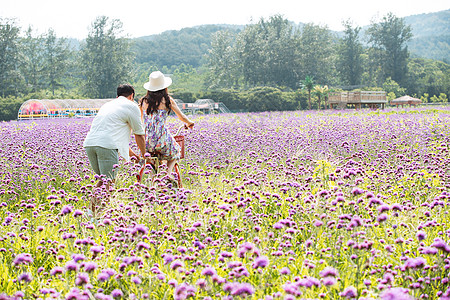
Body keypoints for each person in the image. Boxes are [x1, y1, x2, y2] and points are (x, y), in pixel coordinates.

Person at [83, 84, 146, 212]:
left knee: (102, 180)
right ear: (131, 96)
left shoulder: (108, 105)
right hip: (106, 145)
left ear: (117, 96)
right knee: (109, 183)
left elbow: (115, 136)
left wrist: (134, 156)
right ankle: (99, 216)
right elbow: (139, 134)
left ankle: (91, 213)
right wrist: (146, 156)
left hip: (90, 143)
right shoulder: (132, 106)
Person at [139, 71, 194, 181]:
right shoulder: (167, 100)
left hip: (148, 140)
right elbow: (181, 116)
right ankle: (167, 174)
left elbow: (140, 120)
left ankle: (152, 180)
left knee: (150, 158)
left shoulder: (143, 101)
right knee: (176, 151)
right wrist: (189, 123)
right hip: (162, 138)